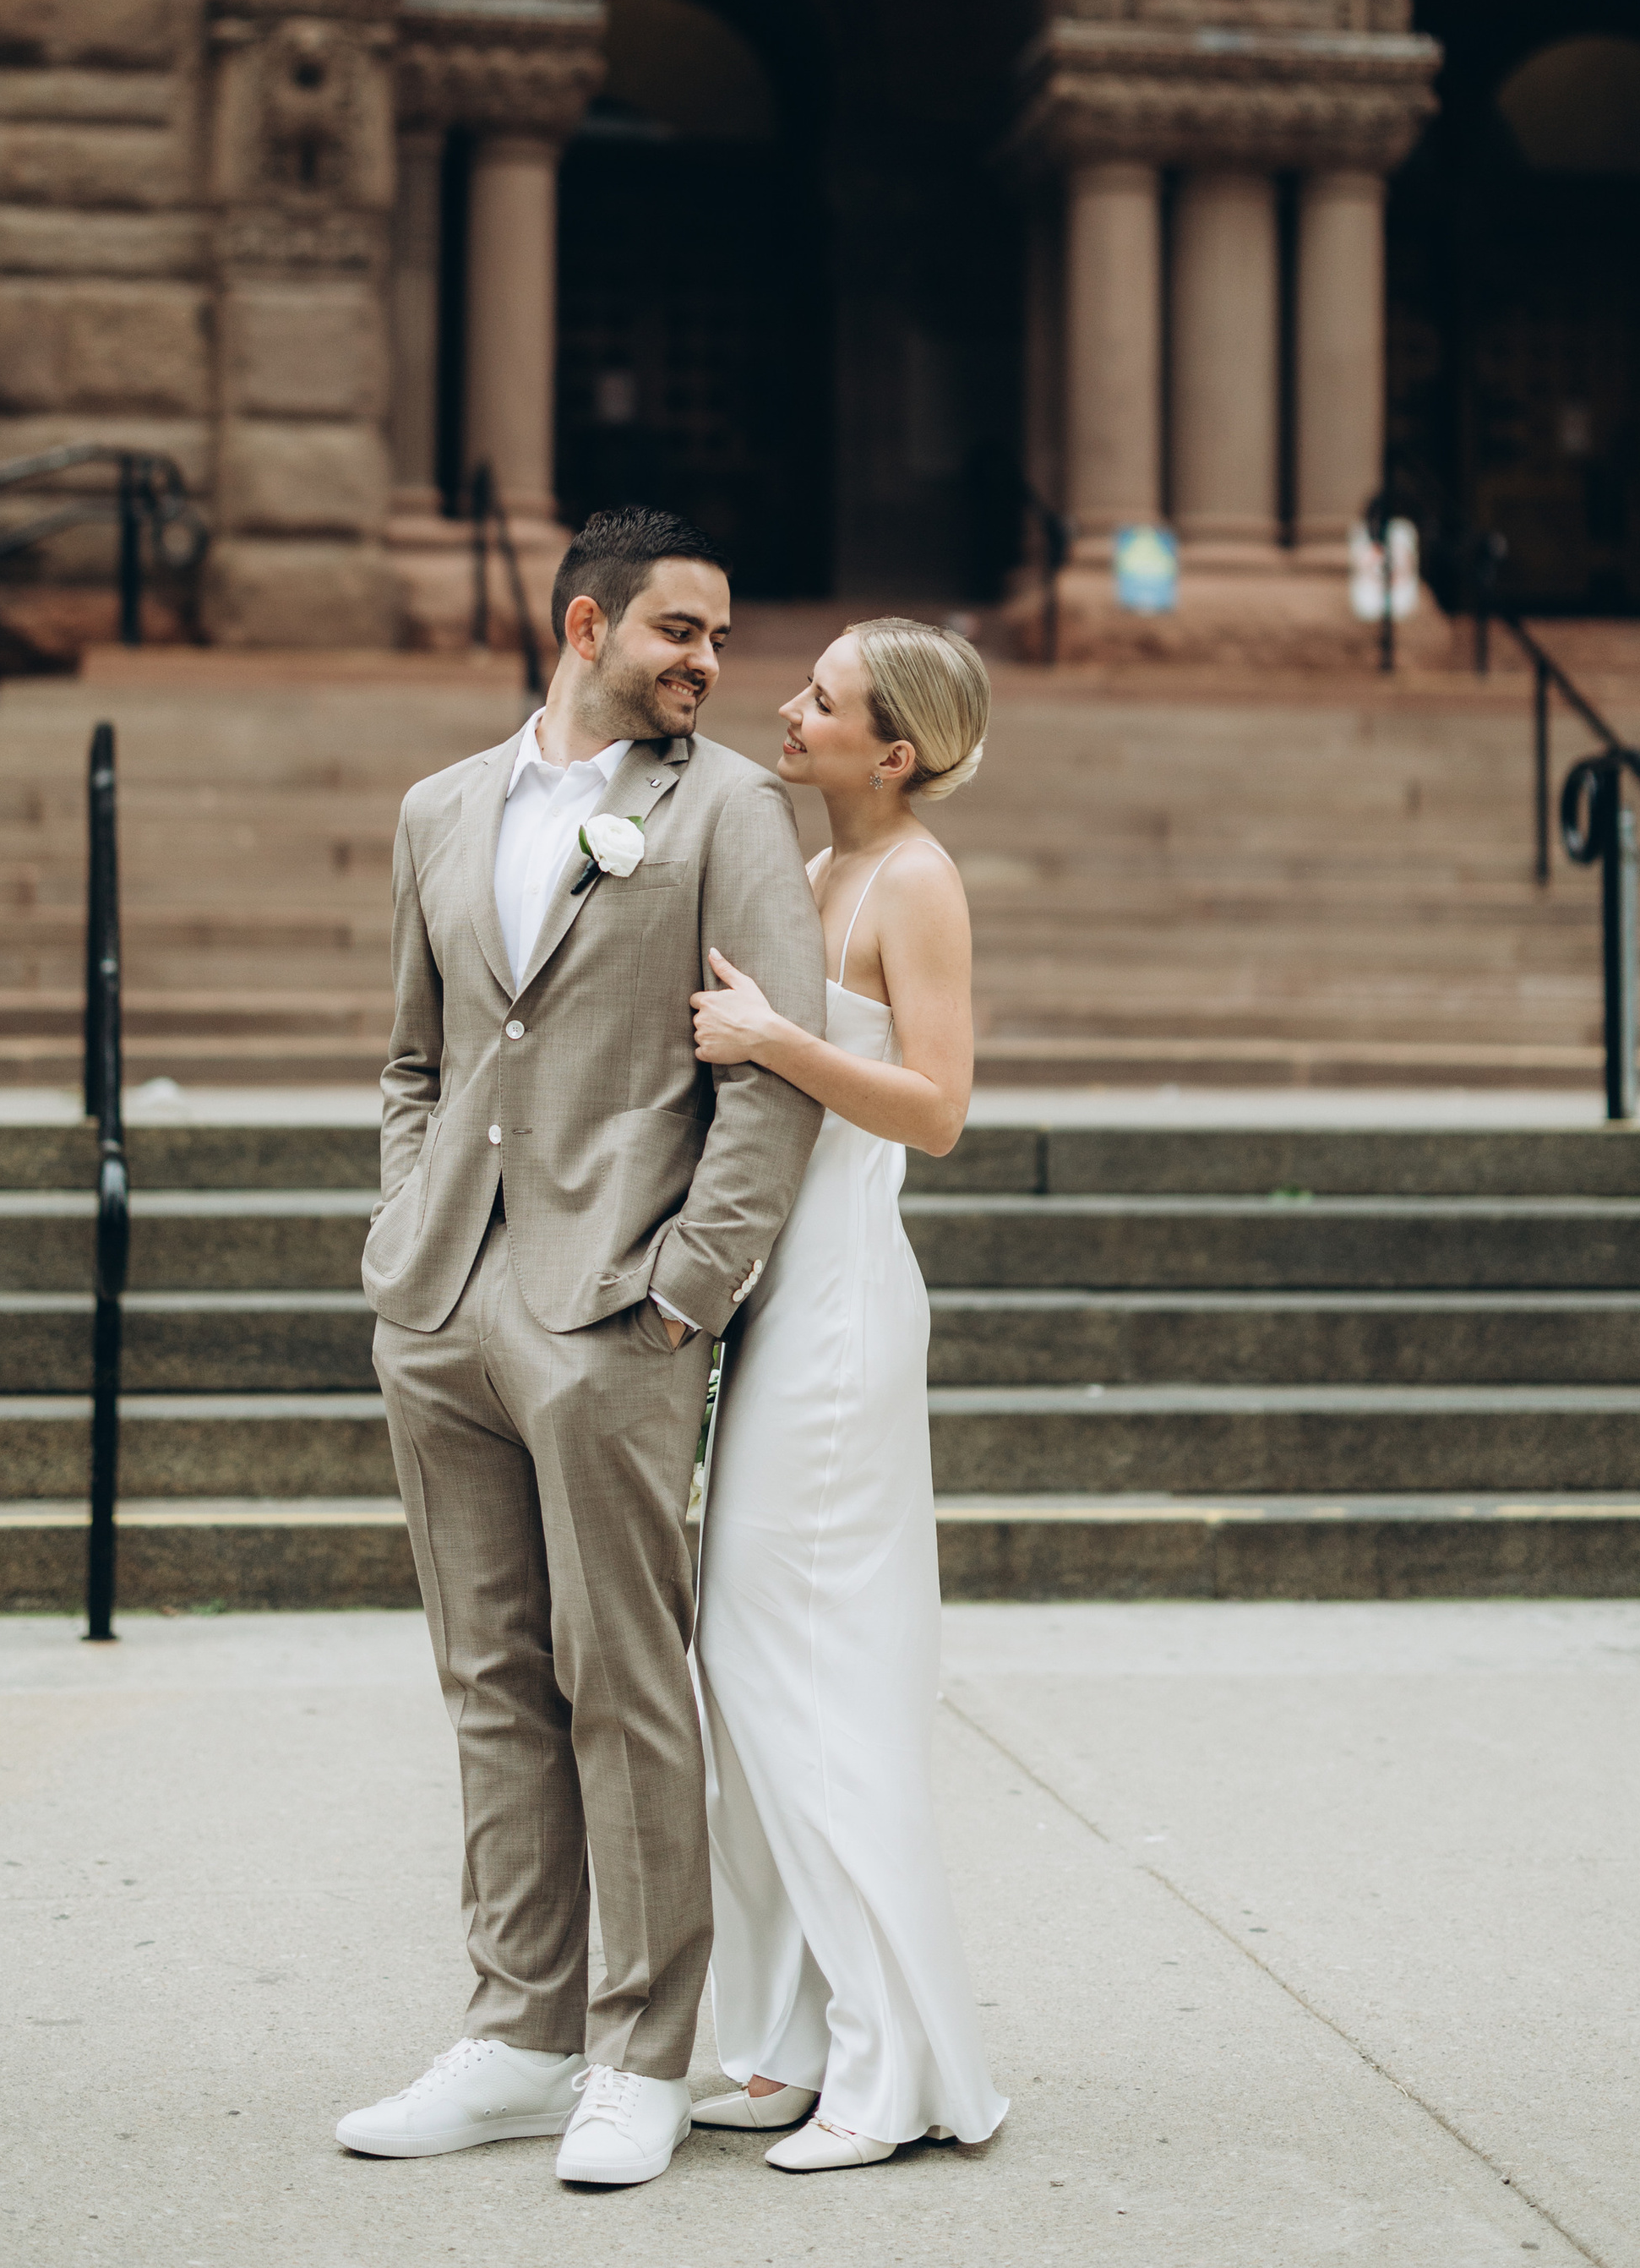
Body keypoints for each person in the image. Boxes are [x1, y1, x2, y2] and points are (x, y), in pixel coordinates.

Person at [339, 506, 827, 2191]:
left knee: (622, 1681)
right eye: (676, 632)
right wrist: (408, 1241)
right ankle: (513, 2034)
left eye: (717, 638)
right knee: (488, 1682)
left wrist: (689, 1284)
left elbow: (773, 1071)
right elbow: (417, 1058)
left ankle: (641, 2053)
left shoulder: (733, 812)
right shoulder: (438, 810)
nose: (705, 664)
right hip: (443, 1309)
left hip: (614, 1306)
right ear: (582, 624)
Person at [687, 618, 1009, 2173]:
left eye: (822, 698)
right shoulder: (813, 874)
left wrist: (775, 1037)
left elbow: (938, 1111)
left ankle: (886, 2072)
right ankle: (781, 2044)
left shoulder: (917, 881)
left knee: (795, 1669)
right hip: (778, 1299)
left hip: (840, 1319)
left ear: (895, 751)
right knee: (748, 1673)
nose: (787, 707)